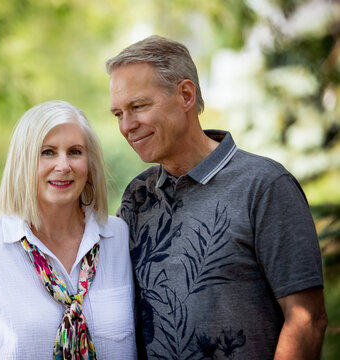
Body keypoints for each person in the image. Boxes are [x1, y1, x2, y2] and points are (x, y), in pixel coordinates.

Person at [106, 35, 328, 359]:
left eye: (138, 106)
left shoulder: (264, 185)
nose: (127, 126)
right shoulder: (137, 198)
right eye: (118, 114)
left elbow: (307, 319)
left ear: (185, 95)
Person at [0, 100, 137, 359]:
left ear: (90, 165)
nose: (63, 166)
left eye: (75, 152)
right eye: (47, 152)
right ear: (23, 162)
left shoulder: (120, 237)